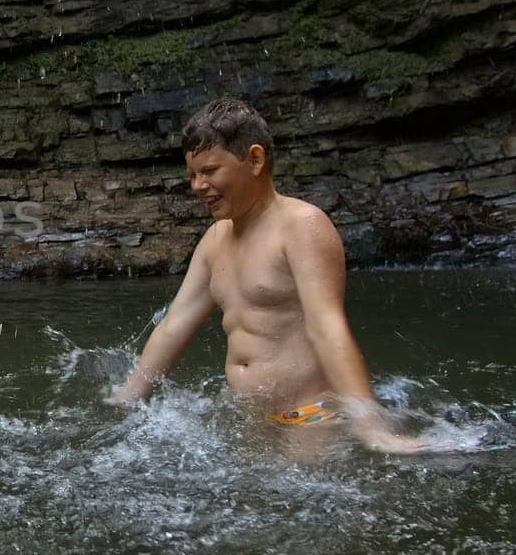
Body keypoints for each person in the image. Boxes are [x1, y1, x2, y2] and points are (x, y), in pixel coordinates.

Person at [105, 97, 425, 454]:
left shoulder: (301, 226)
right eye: (192, 175)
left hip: (311, 417)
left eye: (209, 171)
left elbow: (327, 325)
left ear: (254, 160)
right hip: (249, 422)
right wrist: (129, 396)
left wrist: (371, 425)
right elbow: (174, 325)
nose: (197, 185)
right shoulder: (214, 241)